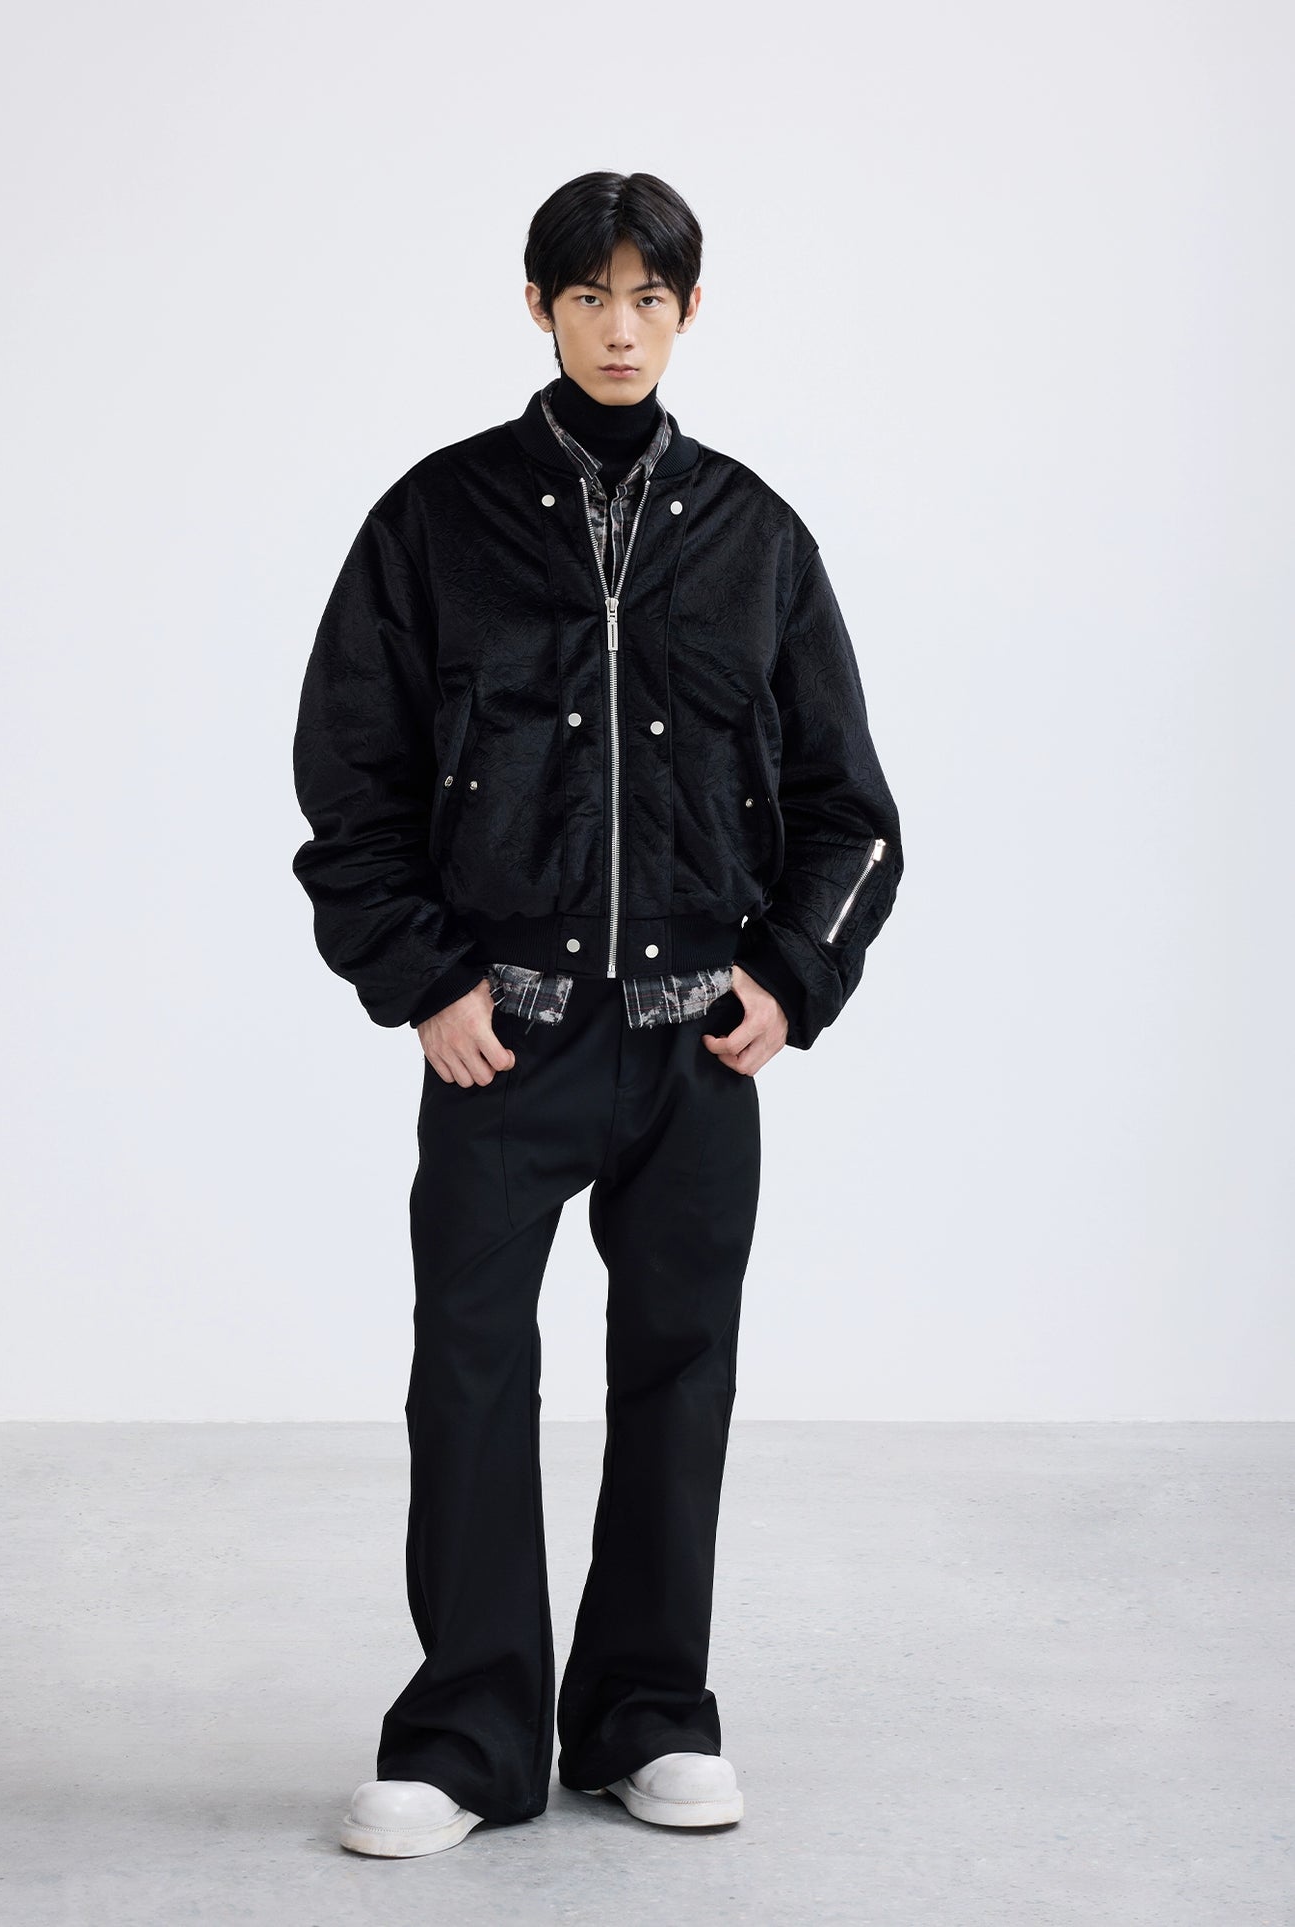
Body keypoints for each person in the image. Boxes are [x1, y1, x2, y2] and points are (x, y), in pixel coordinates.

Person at [290, 170, 904, 1859]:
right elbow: (346, 782)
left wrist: (790, 975)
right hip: (505, 1028)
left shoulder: (754, 537)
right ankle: (466, 1735)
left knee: (678, 1374)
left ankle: (647, 1712)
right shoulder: (438, 520)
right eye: (587, 297)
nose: (618, 328)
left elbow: (849, 811)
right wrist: (423, 978)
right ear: (538, 308)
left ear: (688, 313)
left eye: (647, 298)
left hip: (696, 1041)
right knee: (469, 1370)